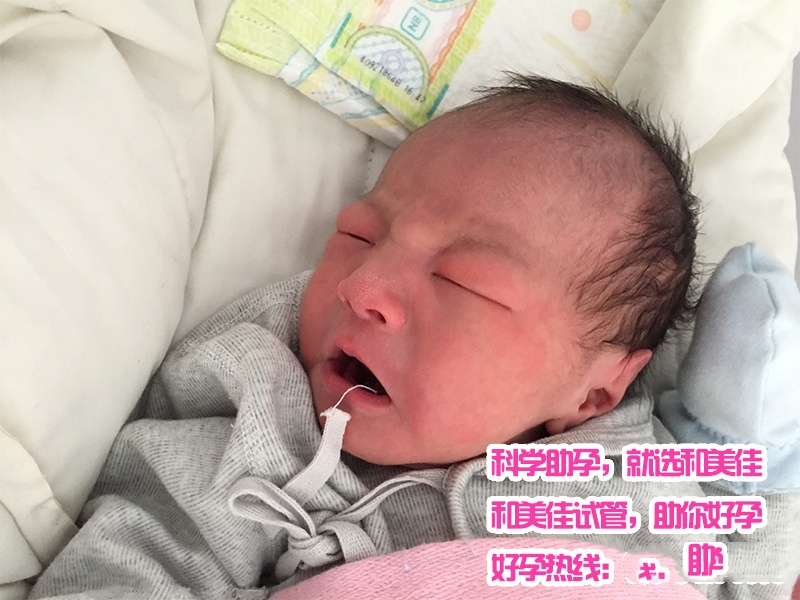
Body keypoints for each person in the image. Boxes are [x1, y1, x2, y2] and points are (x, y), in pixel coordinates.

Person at [29, 76, 795, 599]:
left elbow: (745, 565)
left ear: (595, 390)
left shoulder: (644, 479)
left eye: (461, 281)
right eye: (358, 235)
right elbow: (143, 552)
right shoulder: (264, 436)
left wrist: (758, 473)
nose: (363, 287)